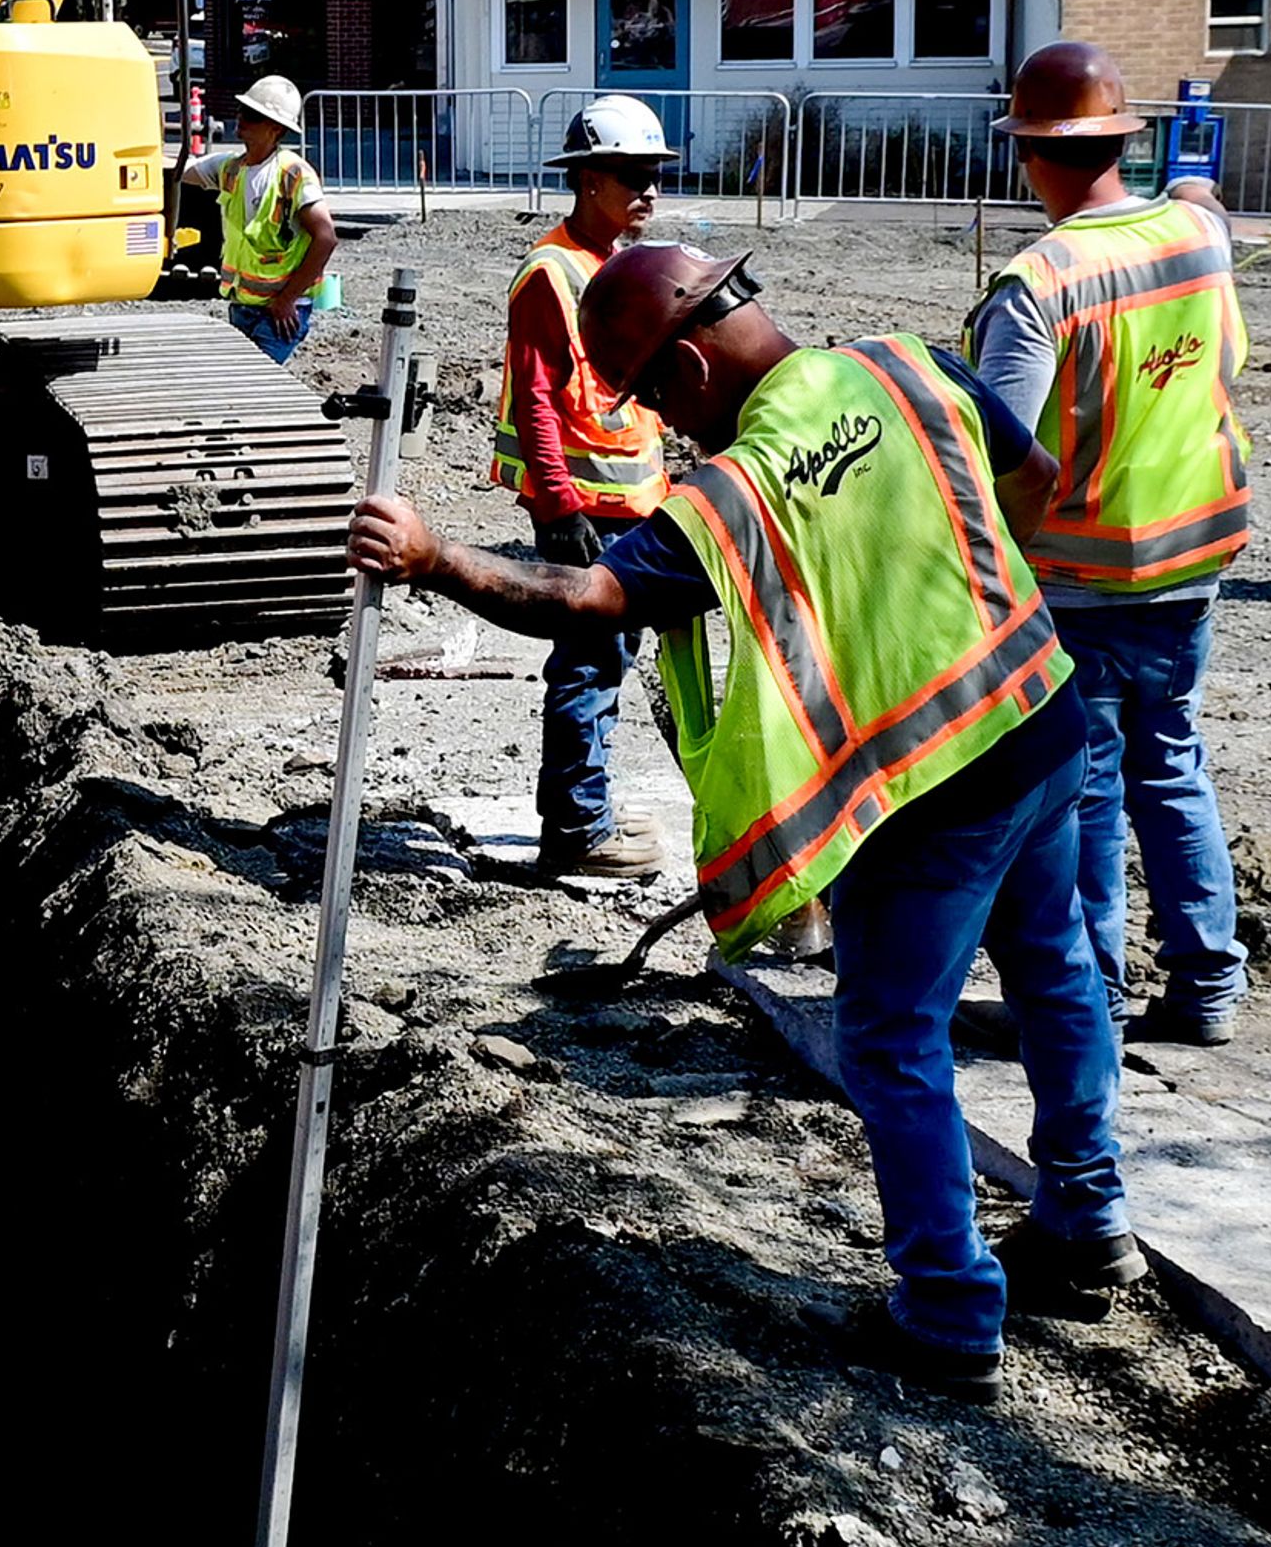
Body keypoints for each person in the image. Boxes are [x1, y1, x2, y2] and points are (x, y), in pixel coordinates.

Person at [347, 242, 1137, 1395]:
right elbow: (1035, 485)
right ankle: (1087, 1219)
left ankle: (951, 1313)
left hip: (925, 787)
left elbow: (589, 599)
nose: (668, 424)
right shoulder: (910, 366)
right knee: (1055, 970)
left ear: (689, 372)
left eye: (657, 396)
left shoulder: (731, 496)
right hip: (1037, 708)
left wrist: (433, 555)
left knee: (890, 1038)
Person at [967, 44, 1252, 1045]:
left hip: (1081, 580)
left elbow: (999, 449)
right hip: (1191, 563)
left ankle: (1086, 998)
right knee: (1170, 760)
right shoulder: (1195, 241)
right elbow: (1204, 212)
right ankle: (1209, 982)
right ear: (1121, 140)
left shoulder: (1038, 283)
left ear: (1030, 154)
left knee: (1082, 790)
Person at [491, 95, 676, 880]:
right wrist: (560, 505)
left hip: (627, 504)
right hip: (584, 512)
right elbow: (534, 395)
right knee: (590, 662)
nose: (649, 192)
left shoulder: (616, 267)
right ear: (589, 182)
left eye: (655, 177)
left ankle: (584, 806)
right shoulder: (552, 273)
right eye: (632, 178)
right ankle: (576, 827)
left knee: (606, 661)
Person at [200, 74, 339, 364]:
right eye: (242, 111)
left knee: (254, 386)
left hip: (280, 311)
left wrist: (287, 299)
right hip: (243, 305)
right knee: (243, 386)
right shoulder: (231, 169)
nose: (241, 118)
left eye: (252, 115)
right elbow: (176, 171)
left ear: (275, 129)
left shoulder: (293, 174)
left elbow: (325, 238)